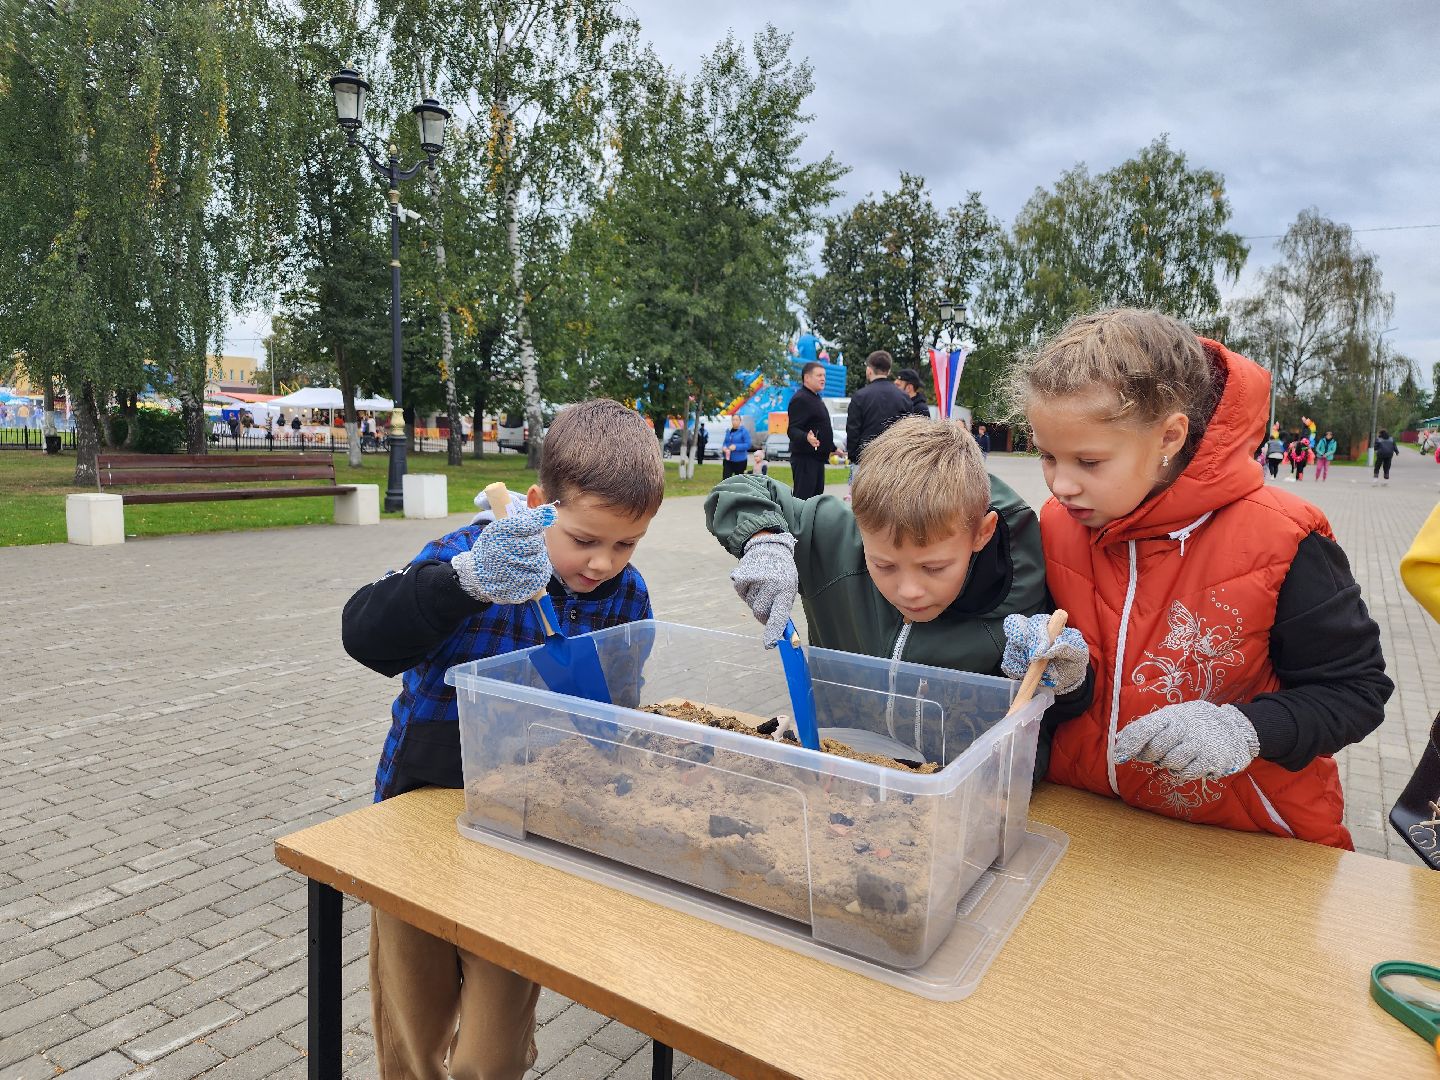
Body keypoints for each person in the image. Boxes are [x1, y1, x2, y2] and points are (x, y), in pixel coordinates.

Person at [341, 400, 664, 1080]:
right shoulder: (468, 557)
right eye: (584, 539)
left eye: (626, 544)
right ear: (540, 505)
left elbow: (617, 710)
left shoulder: (625, 596)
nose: (603, 562)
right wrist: (464, 585)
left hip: (531, 829)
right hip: (422, 813)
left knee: (495, 1047)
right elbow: (366, 635)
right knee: (414, 1025)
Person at [1007, 307, 1392, 849]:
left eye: (1088, 462)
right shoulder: (1054, 525)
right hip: (1089, 820)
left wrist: (1246, 729)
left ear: (1169, 436)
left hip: (1248, 836)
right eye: (1047, 456)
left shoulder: (1283, 538)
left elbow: (1356, 691)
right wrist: (1064, 682)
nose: (1061, 485)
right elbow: (1068, 699)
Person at [705, 416, 1094, 781]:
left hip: (960, 788)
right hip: (838, 771)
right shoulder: (833, 538)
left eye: (934, 567)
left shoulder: (1016, 588)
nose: (909, 591)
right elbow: (739, 489)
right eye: (884, 565)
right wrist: (764, 540)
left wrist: (1068, 681)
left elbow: (1049, 717)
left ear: (982, 532)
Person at [846, 350, 912, 467]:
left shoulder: (860, 396)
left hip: (866, 459)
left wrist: (854, 457)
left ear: (869, 370)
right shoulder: (904, 397)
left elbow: (853, 430)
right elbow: (909, 430)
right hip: (894, 459)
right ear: (889, 371)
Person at [787, 361, 834, 499]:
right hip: (805, 459)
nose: (823, 379)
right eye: (819, 375)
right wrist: (806, 437)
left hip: (817, 459)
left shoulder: (815, 397)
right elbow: (792, 430)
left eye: (824, 376)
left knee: (816, 501)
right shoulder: (800, 399)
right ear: (807, 378)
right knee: (804, 500)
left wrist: (832, 447)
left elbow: (820, 426)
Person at [721, 414, 751, 479]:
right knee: (726, 479)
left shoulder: (744, 431)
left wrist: (736, 447)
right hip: (728, 459)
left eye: (736, 420)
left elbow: (748, 445)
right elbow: (725, 442)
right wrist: (724, 447)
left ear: (740, 421)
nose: (734, 421)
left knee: (739, 480)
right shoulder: (728, 431)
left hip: (740, 461)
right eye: (733, 420)